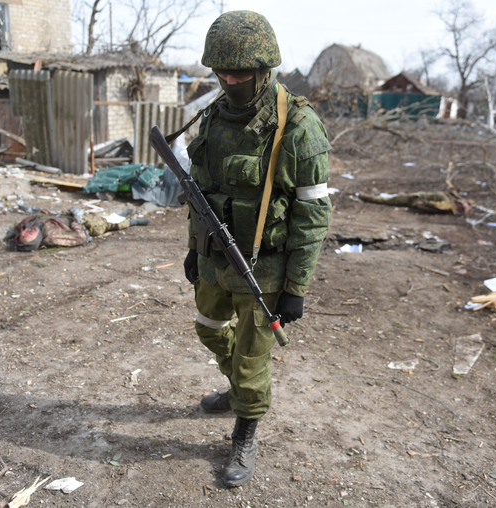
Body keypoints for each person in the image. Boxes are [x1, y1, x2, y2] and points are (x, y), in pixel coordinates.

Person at [182, 10, 332, 487]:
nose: (229, 80)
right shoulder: (211, 117)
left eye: (240, 73)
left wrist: (297, 287)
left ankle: (245, 430)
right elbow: (199, 195)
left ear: (265, 69)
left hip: (263, 269)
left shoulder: (298, 128)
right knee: (208, 329)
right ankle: (239, 389)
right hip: (214, 258)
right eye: (221, 72)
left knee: (251, 360)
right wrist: (192, 248)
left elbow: (313, 217)